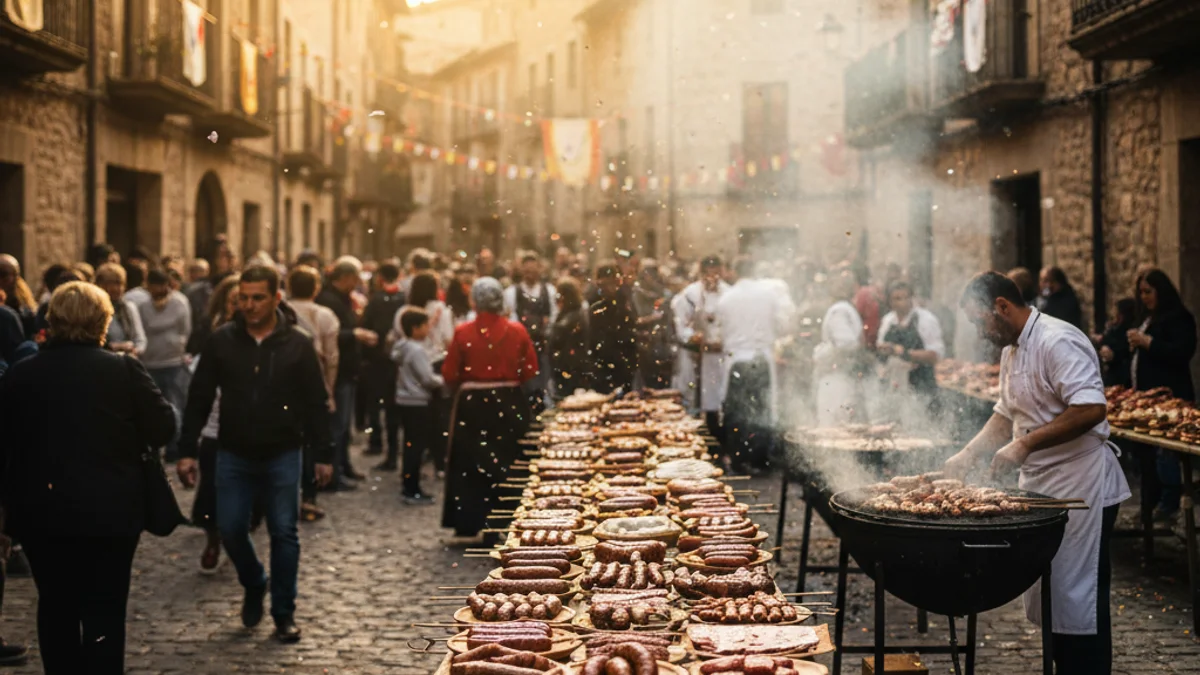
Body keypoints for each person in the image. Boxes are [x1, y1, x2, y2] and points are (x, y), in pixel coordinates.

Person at [944, 271, 1129, 675]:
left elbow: (1091, 408)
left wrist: (1025, 445)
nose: (979, 331)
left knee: (1078, 596)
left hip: (1081, 484)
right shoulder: (1012, 350)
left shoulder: (1057, 340)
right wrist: (968, 454)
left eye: (979, 320)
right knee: (1051, 594)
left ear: (1001, 307)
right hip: (1042, 486)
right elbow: (1006, 413)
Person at [0, 281, 177, 674]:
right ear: (103, 321)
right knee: (105, 608)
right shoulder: (122, 369)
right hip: (111, 510)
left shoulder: (23, 373)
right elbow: (164, 426)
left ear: (52, 320)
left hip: (43, 511)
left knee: (56, 603)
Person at [177, 264, 334, 643]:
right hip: (234, 450)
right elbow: (199, 396)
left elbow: (316, 402)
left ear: (276, 298)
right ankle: (254, 580)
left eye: (258, 298)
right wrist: (187, 450)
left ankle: (283, 612)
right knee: (230, 528)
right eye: (243, 298)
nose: (248, 305)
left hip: (283, 451)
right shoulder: (222, 341)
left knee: (284, 532)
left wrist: (324, 454)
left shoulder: (297, 343)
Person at [441, 278, 539, 539]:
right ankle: (506, 516)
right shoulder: (517, 330)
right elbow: (530, 369)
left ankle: (471, 518)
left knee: (472, 462)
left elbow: (450, 372)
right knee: (509, 460)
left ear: (475, 301)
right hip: (509, 402)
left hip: (473, 405)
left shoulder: (463, 332)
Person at [1128, 269, 1197, 522]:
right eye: (1141, 292)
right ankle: (1150, 503)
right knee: (1147, 456)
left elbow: (1181, 352)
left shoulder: (1179, 318)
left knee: (1166, 456)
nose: (1144, 297)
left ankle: (1169, 504)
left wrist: (1148, 343)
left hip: (1170, 399)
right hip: (1146, 399)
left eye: (1148, 292)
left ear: (1161, 291)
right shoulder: (1148, 317)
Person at [715, 258, 795, 473]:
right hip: (761, 358)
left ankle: (739, 458)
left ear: (734, 272)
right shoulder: (769, 295)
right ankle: (760, 459)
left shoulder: (726, 298)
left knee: (737, 412)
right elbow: (783, 325)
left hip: (737, 360)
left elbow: (721, 331)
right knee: (761, 409)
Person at [188, 274, 241, 574]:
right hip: (213, 424)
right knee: (210, 488)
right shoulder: (211, 332)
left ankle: (235, 538)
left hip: (245, 429)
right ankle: (213, 539)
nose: (241, 306)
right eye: (235, 300)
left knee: (242, 492)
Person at [285, 265, 340, 522]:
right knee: (310, 439)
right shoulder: (324, 315)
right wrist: (329, 389)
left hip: (285, 384)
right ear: (316, 288)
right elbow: (332, 357)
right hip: (312, 383)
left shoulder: (281, 310)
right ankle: (307, 496)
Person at [316, 257, 377, 489]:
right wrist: (355, 334)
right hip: (338, 372)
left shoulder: (341, 299)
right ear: (346, 277)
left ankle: (344, 466)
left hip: (348, 370)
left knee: (343, 427)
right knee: (337, 426)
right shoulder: (328, 300)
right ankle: (334, 474)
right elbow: (330, 334)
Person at [392, 271, 454, 474]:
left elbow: (397, 336)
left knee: (413, 428)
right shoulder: (441, 310)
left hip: (407, 366)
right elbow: (448, 339)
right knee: (439, 418)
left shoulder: (402, 312)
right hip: (435, 363)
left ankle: (413, 462)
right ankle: (439, 462)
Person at [135, 268, 192, 461]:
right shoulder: (143, 306)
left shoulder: (180, 302)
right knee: (152, 409)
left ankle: (174, 448)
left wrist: (178, 346)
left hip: (173, 362)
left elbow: (186, 329)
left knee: (175, 406)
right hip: (150, 363)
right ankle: (153, 447)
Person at [391, 308, 445, 504]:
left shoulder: (402, 347)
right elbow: (427, 378)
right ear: (415, 328)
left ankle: (409, 483)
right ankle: (411, 489)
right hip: (417, 401)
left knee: (410, 444)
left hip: (404, 399)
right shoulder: (417, 350)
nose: (428, 329)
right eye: (425, 326)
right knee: (416, 446)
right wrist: (444, 380)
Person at [674, 256, 729, 440]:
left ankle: (721, 437)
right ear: (702, 273)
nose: (712, 279)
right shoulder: (690, 295)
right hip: (697, 356)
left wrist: (723, 339)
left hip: (720, 355)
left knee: (720, 399)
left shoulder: (728, 294)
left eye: (716, 274)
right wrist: (693, 336)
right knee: (696, 399)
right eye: (708, 274)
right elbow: (681, 324)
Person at [360, 263, 406, 461]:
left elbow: (366, 325)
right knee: (393, 404)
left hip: (376, 357)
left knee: (374, 402)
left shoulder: (375, 300)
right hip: (398, 359)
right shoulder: (404, 298)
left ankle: (376, 441)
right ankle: (395, 446)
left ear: (380, 277)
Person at [876, 280, 946, 401]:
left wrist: (905, 353)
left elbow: (935, 355)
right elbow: (880, 347)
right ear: (890, 302)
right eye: (897, 299)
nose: (902, 302)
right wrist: (885, 350)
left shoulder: (926, 320)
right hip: (894, 384)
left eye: (905, 298)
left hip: (920, 385)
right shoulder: (887, 321)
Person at [505, 254, 557, 413]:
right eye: (527, 271)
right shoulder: (512, 292)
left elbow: (554, 314)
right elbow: (511, 316)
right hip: (522, 345)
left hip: (543, 343)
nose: (530, 275)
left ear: (539, 270)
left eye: (533, 271)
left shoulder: (549, 291)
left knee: (543, 379)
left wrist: (546, 328)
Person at [813, 268, 865, 426]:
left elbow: (846, 344)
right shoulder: (845, 309)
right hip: (842, 378)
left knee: (833, 428)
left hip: (836, 380)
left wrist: (823, 356)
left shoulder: (840, 310)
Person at [588, 262, 639, 395]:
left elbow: (630, 333)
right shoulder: (595, 305)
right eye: (603, 285)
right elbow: (594, 341)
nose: (608, 288)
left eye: (611, 284)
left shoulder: (625, 303)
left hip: (623, 366)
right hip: (602, 368)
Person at [631, 261, 674, 390]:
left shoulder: (664, 294)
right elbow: (634, 320)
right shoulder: (636, 294)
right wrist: (651, 319)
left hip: (661, 343)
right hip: (643, 344)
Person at [548, 277, 590, 396]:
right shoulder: (575, 313)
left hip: (568, 368)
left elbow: (557, 338)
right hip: (571, 367)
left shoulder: (571, 317)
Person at [95, 263, 147, 357]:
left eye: (119, 283)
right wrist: (114, 347)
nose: (116, 288)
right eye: (111, 283)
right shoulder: (94, 309)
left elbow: (140, 339)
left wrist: (134, 351)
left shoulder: (128, 308)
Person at [1094, 298, 1136, 388]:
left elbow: (1125, 351)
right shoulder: (1113, 328)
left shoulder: (1128, 331)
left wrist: (1113, 355)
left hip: (1122, 376)